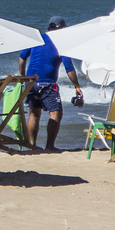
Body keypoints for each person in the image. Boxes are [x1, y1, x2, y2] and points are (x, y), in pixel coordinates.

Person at [19, 16, 83, 151]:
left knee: (34, 114)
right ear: (62, 28)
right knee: (55, 113)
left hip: (31, 83)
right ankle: (50, 146)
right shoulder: (61, 44)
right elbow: (69, 68)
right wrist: (76, 86)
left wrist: (23, 77)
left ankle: (32, 145)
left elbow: (22, 57)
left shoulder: (38, 39)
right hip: (47, 84)